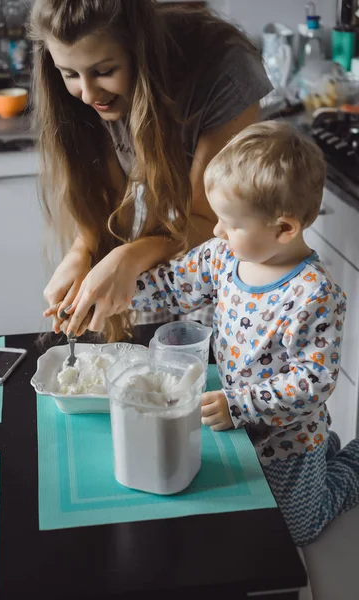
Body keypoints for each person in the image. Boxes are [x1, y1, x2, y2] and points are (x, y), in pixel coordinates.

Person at [130, 120, 359, 546]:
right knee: (245, 509)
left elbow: (313, 380)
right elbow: (171, 283)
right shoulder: (222, 256)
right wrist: (118, 295)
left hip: (288, 436)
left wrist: (240, 404)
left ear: (284, 229)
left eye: (230, 223)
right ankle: (327, 453)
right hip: (238, 423)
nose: (216, 230)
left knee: (297, 529)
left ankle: (350, 463)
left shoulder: (314, 295)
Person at [28, 0, 272, 341]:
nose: (86, 93)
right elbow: (107, 197)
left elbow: (207, 222)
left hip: (225, 229)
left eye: (103, 71)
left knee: (210, 349)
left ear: (139, 51)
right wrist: (82, 250)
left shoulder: (226, 70)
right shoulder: (79, 96)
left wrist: (129, 256)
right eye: (70, 74)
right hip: (161, 214)